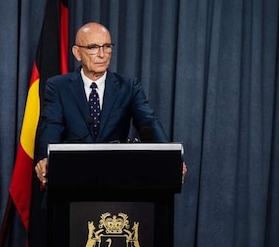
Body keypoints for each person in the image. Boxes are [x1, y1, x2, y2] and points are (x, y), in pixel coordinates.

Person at [34, 22, 185, 185]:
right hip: (72, 177)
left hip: (117, 179)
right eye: (93, 47)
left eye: (107, 46)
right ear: (77, 53)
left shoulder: (129, 87)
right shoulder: (58, 86)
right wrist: (45, 158)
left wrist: (169, 157)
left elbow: (148, 122)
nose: (102, 54)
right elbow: (52, 125)